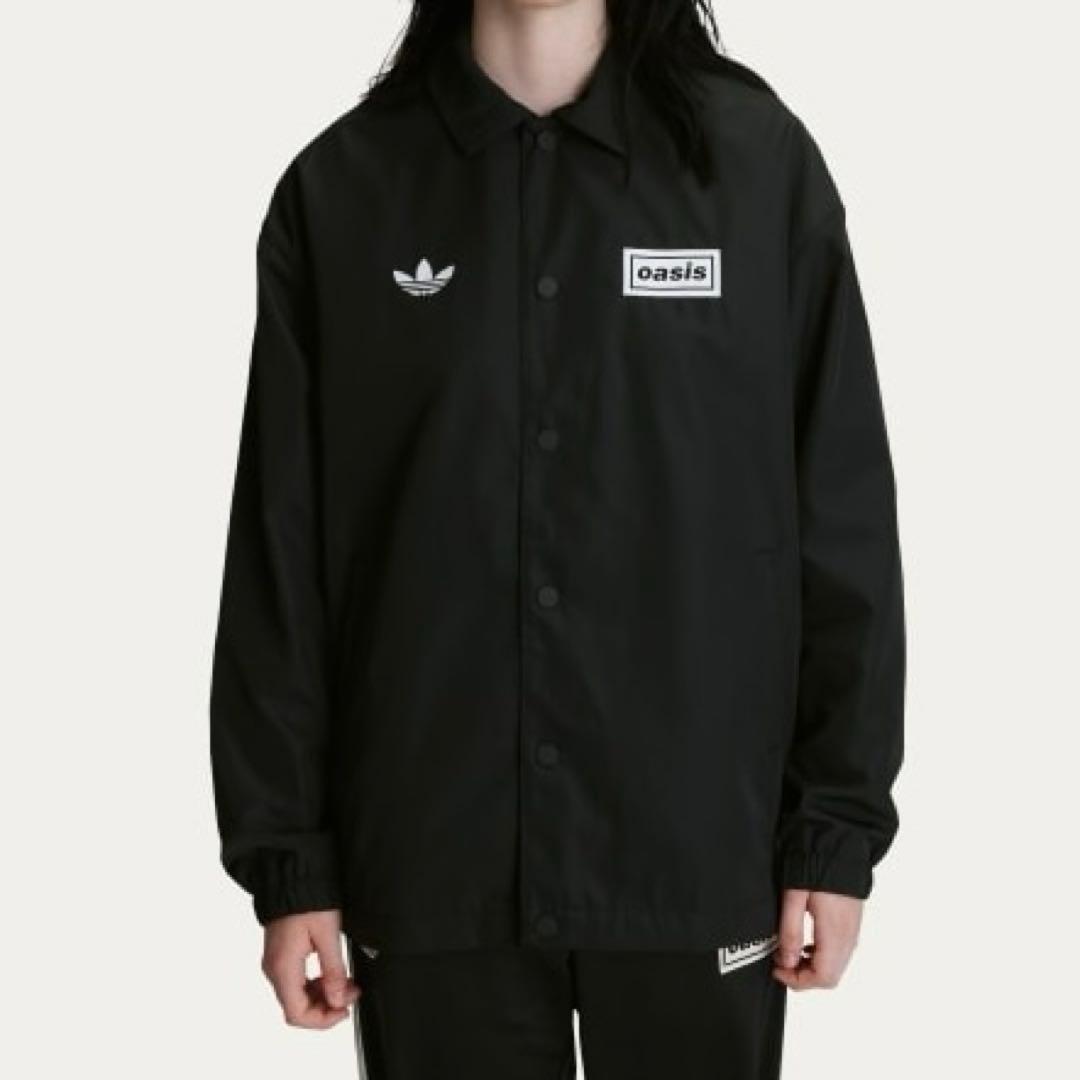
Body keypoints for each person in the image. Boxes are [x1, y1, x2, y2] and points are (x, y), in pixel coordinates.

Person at [210, 0, 905, 1075]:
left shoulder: (756, 169)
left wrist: (835, 828)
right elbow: (281, 554)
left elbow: (841, 519)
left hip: (697, 858)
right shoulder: (343, 190)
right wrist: (289, 858)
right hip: (434, 865)